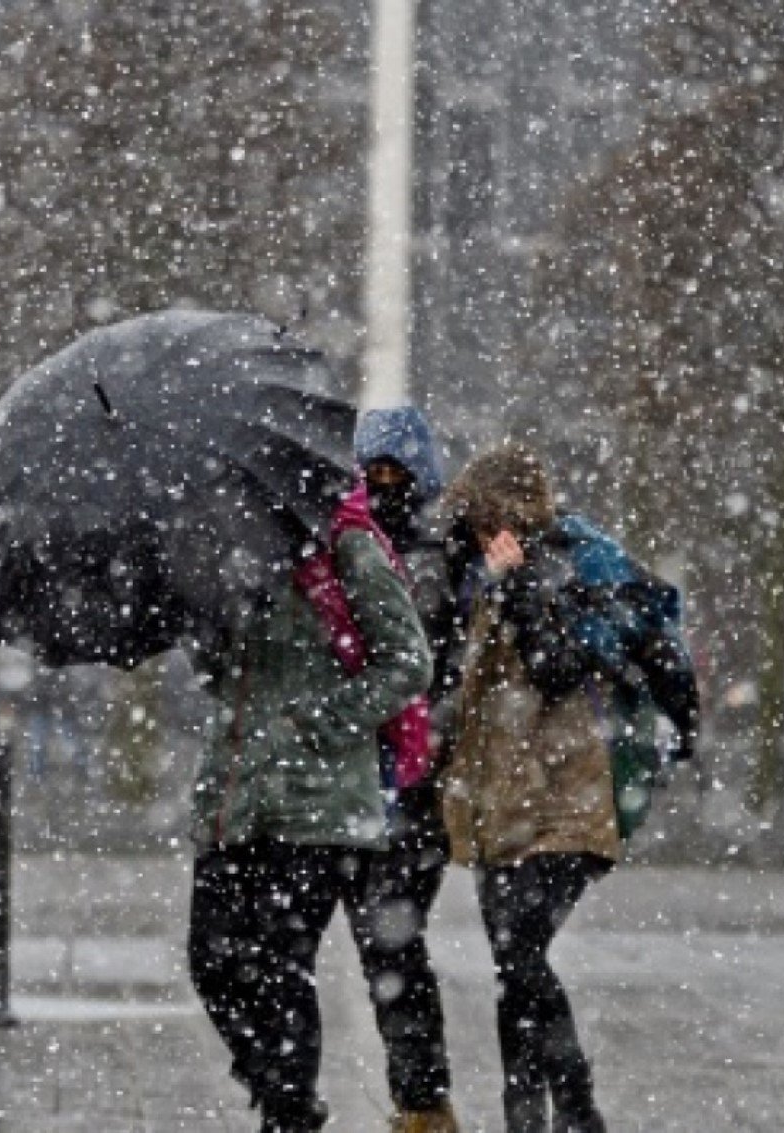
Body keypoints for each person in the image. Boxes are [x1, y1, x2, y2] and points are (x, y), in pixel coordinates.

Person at [186, 474, 434, 1133]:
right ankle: (281, 1090)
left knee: (278, 964)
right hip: (233, 796)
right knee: (211, 961)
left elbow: (408, 660)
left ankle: (288, 1111)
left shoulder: (346, 545)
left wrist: (322, 722)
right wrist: (205, 623)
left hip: (317, 801)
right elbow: (221, 675)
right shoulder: (229, 549)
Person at [439, 443, 635, 1133]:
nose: (477, 530)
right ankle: (526, 1116)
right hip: (499, 806)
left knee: (521, 953)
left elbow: (558, 671)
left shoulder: (559, 569)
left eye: (486, 516)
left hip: (563, 803)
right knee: (512, 966)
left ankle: (576, 1107)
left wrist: (518, 588)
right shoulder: (481, 576)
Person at [344, 407, 464, 1133]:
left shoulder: (434, 552)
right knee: (387, 944)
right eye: (374, 471)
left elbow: (430, 656)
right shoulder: (365, 543)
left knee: (390, 942)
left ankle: (422, 1099)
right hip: (375, 774)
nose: (386, 484)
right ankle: (420, 1098)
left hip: (410, 777)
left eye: (397, 472)